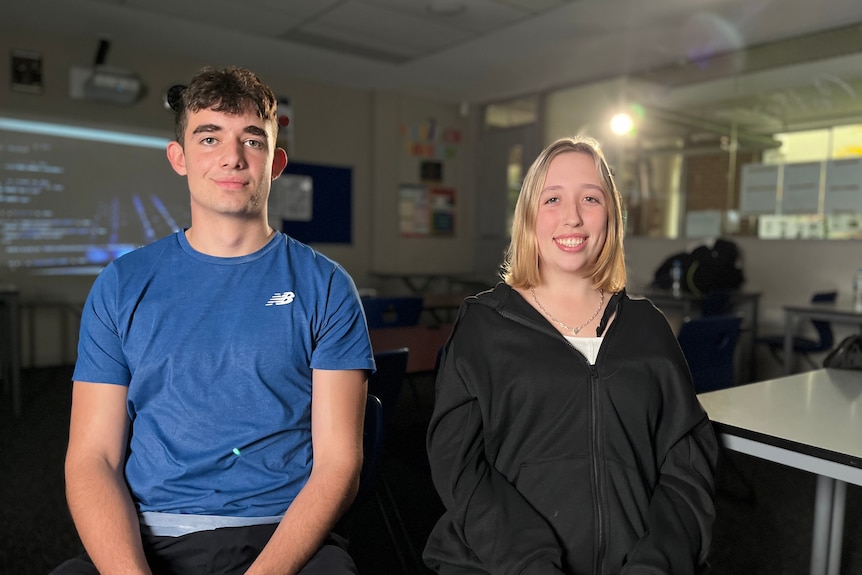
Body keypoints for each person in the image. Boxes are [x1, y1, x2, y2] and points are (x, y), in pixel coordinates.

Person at [51, 66, 374, 575]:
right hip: (150, 534)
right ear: (179, 157)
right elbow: (93, 459)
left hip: (279, 533)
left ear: (276, 162)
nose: (232, 156)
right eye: (209, 137)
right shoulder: (121, 284)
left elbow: (340, 464)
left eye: (252, 139)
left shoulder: (327, 286)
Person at [424, 136, 718, 575]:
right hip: (502, 565)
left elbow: (686, 467)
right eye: (553, 198)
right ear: (528, 216)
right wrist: (531, 563)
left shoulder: (648, 329)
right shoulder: (483, 326)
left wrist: (654, 565)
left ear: (611, 216)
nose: (573, 217)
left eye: (591, 198)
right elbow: (459, 467)